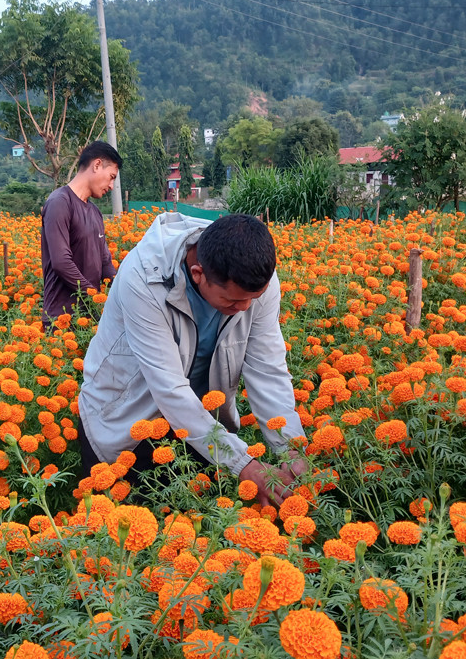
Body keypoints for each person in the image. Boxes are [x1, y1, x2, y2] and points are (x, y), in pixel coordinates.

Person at [77, 212, 309, 507]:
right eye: (234, 301)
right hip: (127, 417)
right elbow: (169, 388)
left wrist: (290, 448)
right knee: (116, 530)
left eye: (254, 298)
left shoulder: (254, 278)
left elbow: (268, 368)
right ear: (198, 274)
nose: (246, 308)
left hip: (202, 426)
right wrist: (243, 464)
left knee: (195, 519)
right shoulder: (145, 278)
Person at [40, 141, 122, 325]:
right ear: (97, 165)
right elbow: (61, 262)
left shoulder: (95, 213)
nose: (111, 186)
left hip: (90, 317)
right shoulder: (59, 202)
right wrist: (94, 296)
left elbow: (105, 262)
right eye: (111, 177)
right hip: (61, 320)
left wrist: (122, 291)